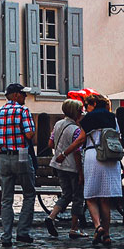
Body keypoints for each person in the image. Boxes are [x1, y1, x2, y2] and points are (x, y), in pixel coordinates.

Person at [66, 94, 122, 247]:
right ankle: (107, 236)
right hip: (110, 156)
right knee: (105, 198)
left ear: (94, 104)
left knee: (90, 196)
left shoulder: (88, 119)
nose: (86, 109)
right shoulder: (112, 117)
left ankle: (98, 226)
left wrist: (64, 153)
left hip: (93, 155)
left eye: (87, 105)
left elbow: (81, 139)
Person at [0, 82, 36, 248]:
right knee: (29, 194)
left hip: (3, 158)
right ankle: (22, 232)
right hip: (21, 155)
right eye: (23, 94)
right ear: (15, 95)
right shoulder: (23, 111)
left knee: (6, 198)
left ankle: (6, 236)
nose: (25, 97)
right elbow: (29, 133)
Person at [48, 98, 86, 240]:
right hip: (72, 167)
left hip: (58, 165)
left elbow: (50, 143)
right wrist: (81, 172)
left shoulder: (58, 124)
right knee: (77, 197)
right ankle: (74, 228)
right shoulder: (76, 130)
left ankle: (51, 216)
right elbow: (77, 152)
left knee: (66, 194)